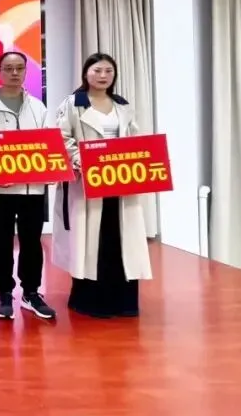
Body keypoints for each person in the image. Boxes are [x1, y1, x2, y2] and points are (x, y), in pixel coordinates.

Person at [52, 52, 152, 318]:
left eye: (108, 71)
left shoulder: (122, 105)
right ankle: (91, 301)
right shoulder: (73, 104)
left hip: (120, 182)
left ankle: (124, 301)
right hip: (88, 183)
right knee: (92, 241)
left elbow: (134, 137)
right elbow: (62, 138)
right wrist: (80, 160)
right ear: (86, 73)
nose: (103, 76)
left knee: (121, 240)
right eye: (97, 71)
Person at [0, 51, 56, 320]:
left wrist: (52, 168)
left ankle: (31, 292)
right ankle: (4, 292)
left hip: (33, 189)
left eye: (19, 68)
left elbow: (49, 144)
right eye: (8, 68)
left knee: (32, 242)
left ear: (25, 72)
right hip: (1, 189)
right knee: (0, 242)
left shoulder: (38, 107)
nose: (14, 73)